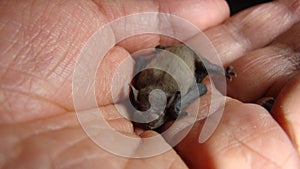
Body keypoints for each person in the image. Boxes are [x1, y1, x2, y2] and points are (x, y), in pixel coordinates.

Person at [0, 0, 299, 168]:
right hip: (175, 63)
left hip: (183, 62)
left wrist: (210, 75)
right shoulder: (146, 84)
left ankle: (213, 71)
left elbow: (186, 90)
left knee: (202, 79)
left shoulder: (162, 91)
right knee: (199, 81)